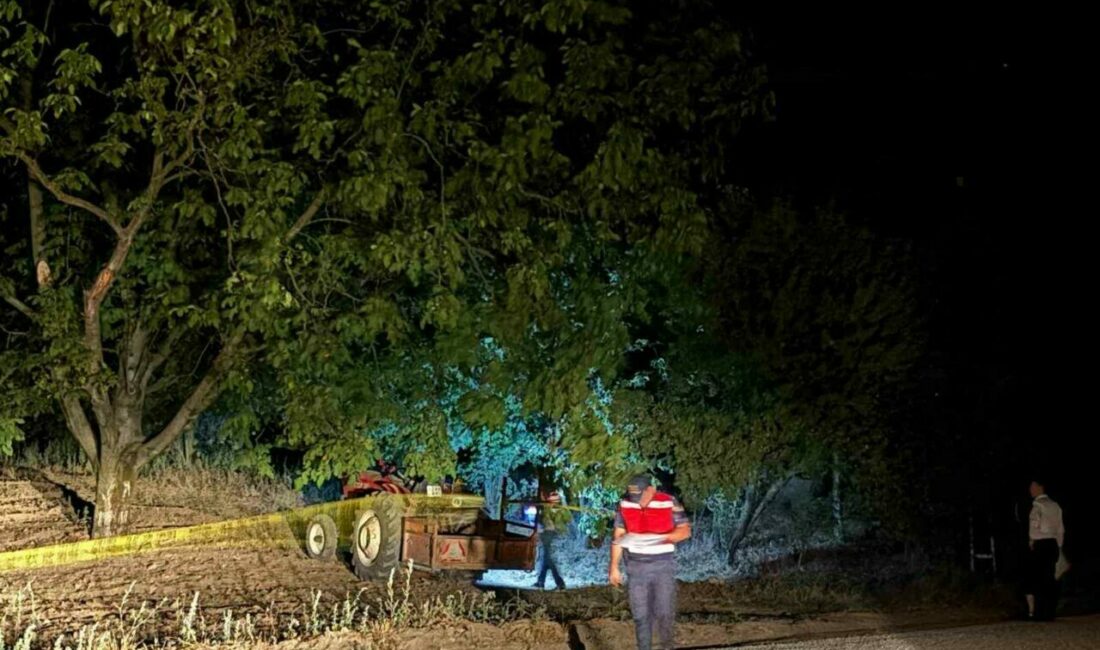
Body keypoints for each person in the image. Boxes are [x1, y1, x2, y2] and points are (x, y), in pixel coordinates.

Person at [609, 474, 691, 650]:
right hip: (636, 567)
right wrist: (614, 568)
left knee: (664, 614)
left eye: (641, 497)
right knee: (641, 616)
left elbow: (685, 531)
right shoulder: (625, 505)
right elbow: (618, 537)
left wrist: (662, 538)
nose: (639, 502)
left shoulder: (669, 502)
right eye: (634, 498)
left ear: (651, 490)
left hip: (663, 566)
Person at [1025, 477, 1064, 621]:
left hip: (1040, 544)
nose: (1030, 490)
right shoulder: (1055, 505)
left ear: (1039, 488)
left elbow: (1034, 527)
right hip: (1053, 544)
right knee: (1049, 577)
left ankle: (1038, 612)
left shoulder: (1038, 505)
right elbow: (1060, 529)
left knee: (1037, 577)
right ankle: (1050, 612)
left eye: (1032, 487)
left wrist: (1032, 539)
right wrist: (1059, 545)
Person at [535, 488, 567, 590]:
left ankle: (558, 582)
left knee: (547, 558)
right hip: (547, 533)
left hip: (550, 534)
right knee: (546, 557)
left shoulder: (559, 511)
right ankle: (541, 581)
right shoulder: (552, 509)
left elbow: (565, 519)